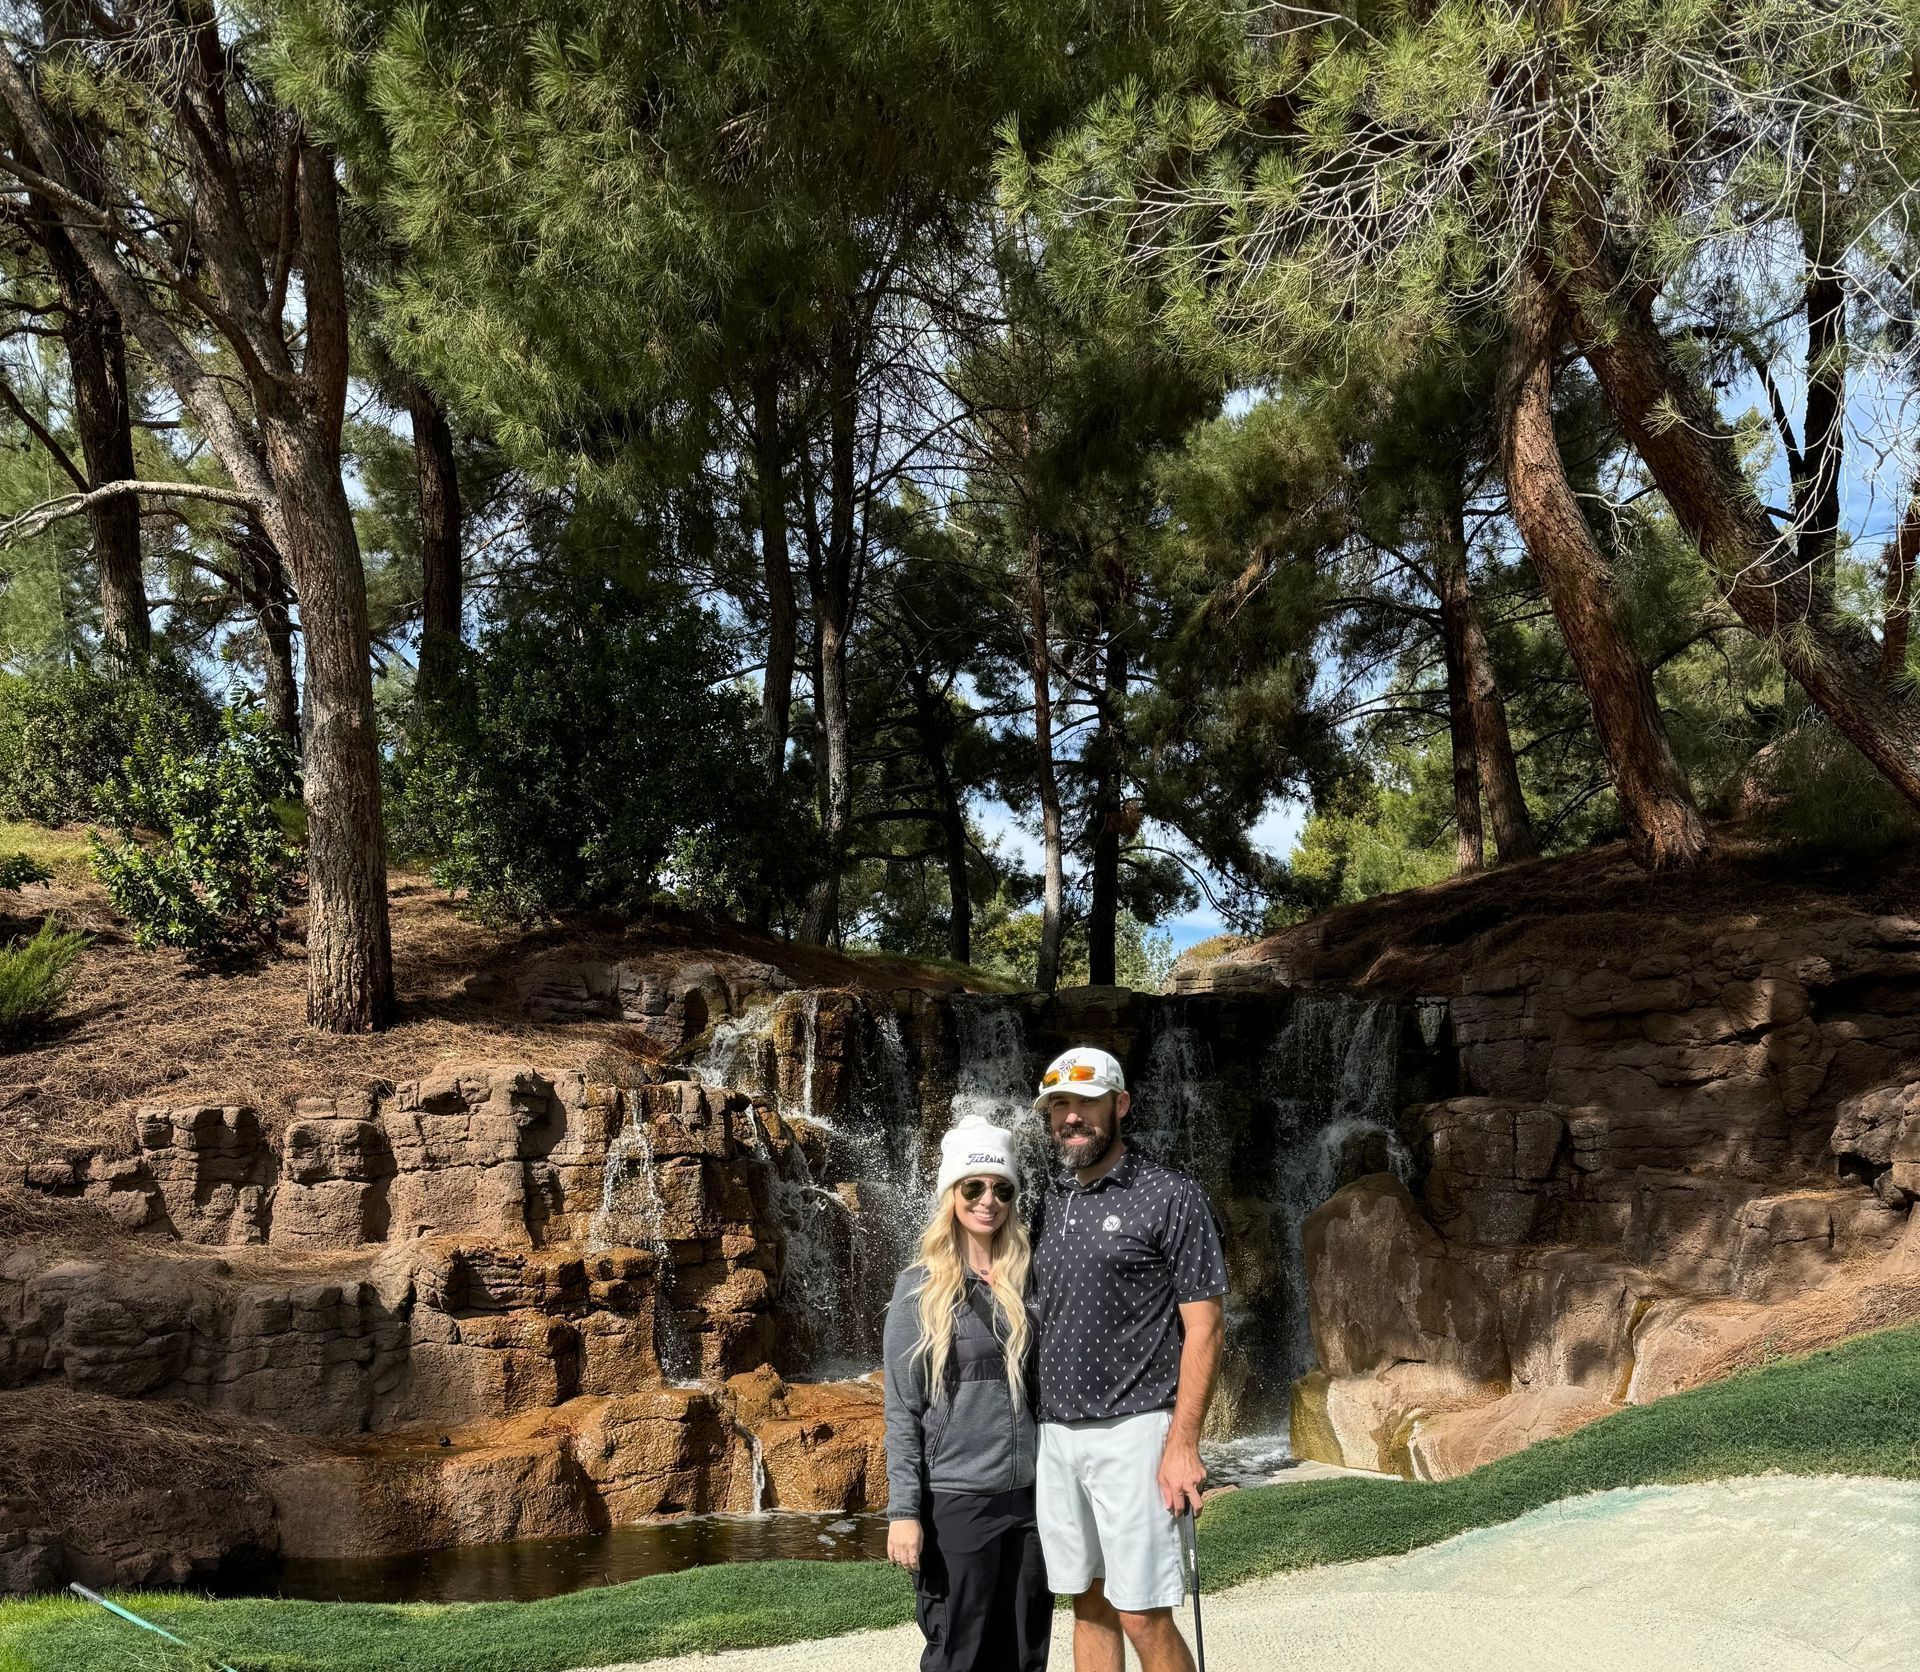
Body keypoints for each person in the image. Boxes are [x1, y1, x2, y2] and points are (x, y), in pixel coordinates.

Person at [1028, 1045, 1228, 1672]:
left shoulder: (1170, 1195)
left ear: (1120, 1105)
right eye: (1059, 1104)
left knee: (1142, 1612)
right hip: (1055, 1434)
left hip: (1137, 1431)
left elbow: (1206, 1327)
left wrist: (1183, 1444)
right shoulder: (1042, 1202)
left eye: (1086, 1102)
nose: (1071, 1116)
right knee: (1087, 1603)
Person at [882, 1113, 1052, 1672]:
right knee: (959, 1654)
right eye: (973, 1187)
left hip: (1031, 1499)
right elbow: (902, 1410)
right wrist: (904, 1512)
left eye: (1002, 1189)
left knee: (1025, 1651)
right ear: (951, 1194)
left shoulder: (1031, 1280)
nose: (988, 1201)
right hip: (957, 1501)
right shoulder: (918, 1290)